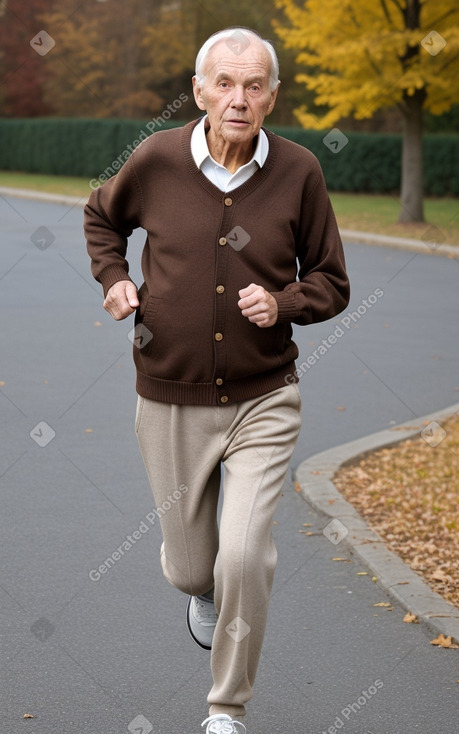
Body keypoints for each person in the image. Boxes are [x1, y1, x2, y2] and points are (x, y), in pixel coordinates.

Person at [84, 26, 349, 734]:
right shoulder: (156, 159)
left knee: (244, 556)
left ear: (272, 96)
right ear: (199, 90)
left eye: (254, 84)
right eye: (224, 84)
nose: (239, 98)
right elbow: (100, 218)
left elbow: (331, 281)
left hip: (264, 397)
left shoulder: (298, 173)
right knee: (193, 569)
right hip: (168, 396)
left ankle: (226, 709)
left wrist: (285, 301)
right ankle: (199, 589)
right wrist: (113, 280)